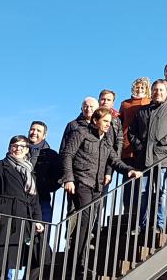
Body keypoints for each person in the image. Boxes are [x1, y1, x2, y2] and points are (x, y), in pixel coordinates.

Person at [61, 109, 142, 270]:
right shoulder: (81, 133)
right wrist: (69, 179)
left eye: (110, 122)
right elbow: (67, 154)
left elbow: (115, 160)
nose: (108, 125)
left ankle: (77, 261)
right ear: (95, 121)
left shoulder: (105, 141)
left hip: (97, 186)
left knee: (88, 223)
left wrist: (129, 170)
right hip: (81, 182)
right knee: (84, 221)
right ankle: (76, 263)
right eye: (105, 121)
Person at [0, 136, 44, 280]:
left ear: (27, 150)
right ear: (9, 147)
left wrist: (38, 220)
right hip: (3, 217)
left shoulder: (30, 172)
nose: (18, 148)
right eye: (15, 145)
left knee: (41, 254)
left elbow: (34, 199)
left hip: (24, 218)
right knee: (0, 261)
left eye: (23, 146)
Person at [128, 81, 167, 234]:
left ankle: (159, 224)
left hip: (162, 158)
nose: (158, 92)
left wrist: (163, 143)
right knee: (143, 193)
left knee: (161, 192)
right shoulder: (142, 111)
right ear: (151, 92)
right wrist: (140, 147)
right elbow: (132, 132)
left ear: (166, 92)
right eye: (155, 90)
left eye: (161, 90)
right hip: (143, 160)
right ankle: (141, 225)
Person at [118, 77, 151, 208]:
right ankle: (128, 208)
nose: (139, 89)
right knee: (127, 180)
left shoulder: (149, 101)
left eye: (142, 87)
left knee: (142, 180)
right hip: (126, 146)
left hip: (142, 146)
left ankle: (141, 208)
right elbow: (120, 123)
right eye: (137, 87)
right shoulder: (125, 104)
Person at [27, 121, 61, 222]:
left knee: (42, 227)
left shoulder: (51, 155)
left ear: (44, 135)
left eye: (38, 131)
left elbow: (58, 176)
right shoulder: (19, 150)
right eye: (32, 129)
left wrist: (44, 187)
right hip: (19, 197)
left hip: (41, 198)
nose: (34, 132)